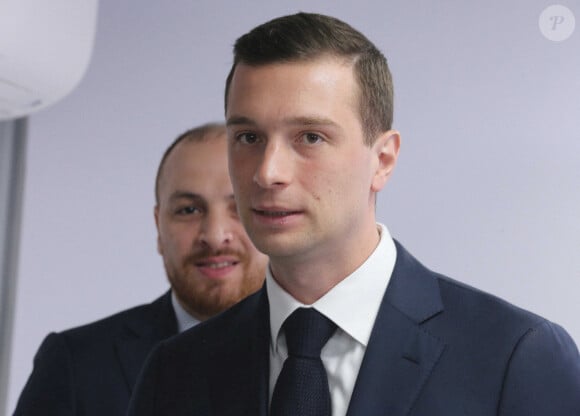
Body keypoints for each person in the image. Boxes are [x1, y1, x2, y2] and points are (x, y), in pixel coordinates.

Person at [127, 13, 580, 416]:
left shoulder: (514, 357)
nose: (267, 172)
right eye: (248, 138)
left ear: (382, 160)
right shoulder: (175, 371)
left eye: (310, 137)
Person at [13, 123, 268, 416]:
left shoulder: (321, 355)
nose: (214, 234)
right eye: (188, 210)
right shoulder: (75, 362)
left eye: (238, 207)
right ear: (159, 227)